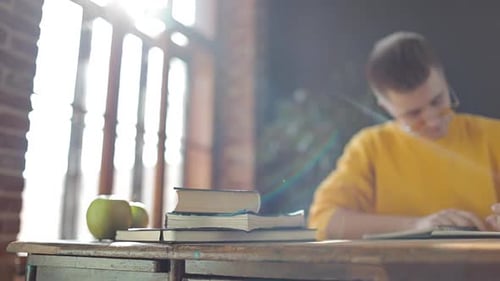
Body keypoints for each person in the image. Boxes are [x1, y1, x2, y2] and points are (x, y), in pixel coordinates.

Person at [308, 31, 500, 240]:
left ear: (444, 79)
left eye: (438, 100)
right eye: (413, 114)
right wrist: (418, 225)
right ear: (386, 107)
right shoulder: (370, 148)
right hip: (391, 273)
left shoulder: (493, 135)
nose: (433, 121)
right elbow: (322, 221)